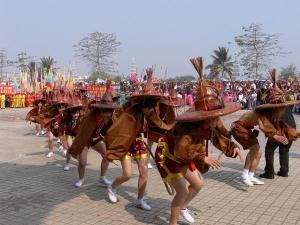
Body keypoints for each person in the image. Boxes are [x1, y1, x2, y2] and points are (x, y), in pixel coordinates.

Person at [155, 57, 242, 225]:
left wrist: (232, 148)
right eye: (213, 116)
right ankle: (173, 222)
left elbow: (217, 136)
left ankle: (182, 207)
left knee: (198, 184)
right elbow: (181, 150)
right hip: (169, 154)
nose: (217, 118)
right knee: (181, 190)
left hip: (186, 155)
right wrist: (202, 158)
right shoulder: (186, 126)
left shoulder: (213, 119)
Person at [105, 68, 174, 210]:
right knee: (128, 174)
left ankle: (140, 200)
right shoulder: (130, 111)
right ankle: (112, 187)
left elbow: (162, 125)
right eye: (149, 104)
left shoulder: (152, 112)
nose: (152, 108)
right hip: (126, 141)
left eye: (153, 104)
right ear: (143, 103)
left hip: (138, 141)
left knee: (144, 171)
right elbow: (118, 126)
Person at [231, 69, 300, 186]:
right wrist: (276, 136)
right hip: (238, 128)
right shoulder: (263, 112)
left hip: (247, 129)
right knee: (255, 149)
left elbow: (275, 126)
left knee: (258, 153)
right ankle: (245, 174)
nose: (283, 111)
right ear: (275, 108)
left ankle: (251, 176)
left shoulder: (272, 115)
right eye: (281, 109)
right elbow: (263, 127)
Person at [68, 85, 121, 188]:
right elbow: (81, 135)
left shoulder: (111, 117)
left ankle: (102, 178)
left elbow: (112, 132)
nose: (107, 113)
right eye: (105, 110)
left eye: (109, 110)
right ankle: (81, 179)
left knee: (107, 155)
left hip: (96, 139)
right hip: (85, 140)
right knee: (82, 162)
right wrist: (75, 148)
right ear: (101, 109)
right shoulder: (90, 118)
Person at [260, 106, 296, 178]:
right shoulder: (286, 105)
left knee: (269, 150)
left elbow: (265, 124)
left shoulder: (273, 107)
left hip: (279, 131)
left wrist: (273, 135)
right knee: (284, 150)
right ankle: (284, 171)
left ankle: (269, 172)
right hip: (291, 130)